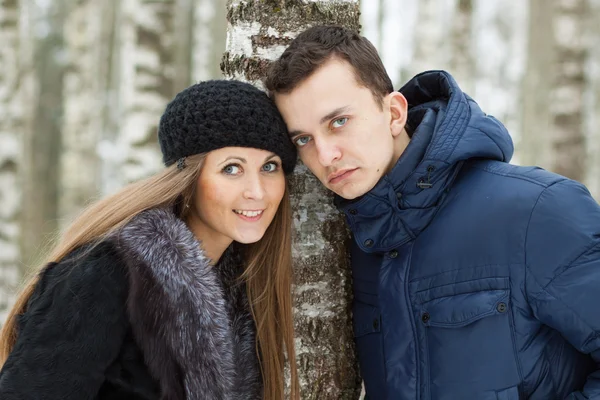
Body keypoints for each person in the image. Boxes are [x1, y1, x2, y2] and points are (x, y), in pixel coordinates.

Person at [265, 25, 600, 399]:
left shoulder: (535, 212)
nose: (325, 157)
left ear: (394, 112)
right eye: (304, 140)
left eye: (339, 121)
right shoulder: (355, 243)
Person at [0, 80, 300, 400]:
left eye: (270, 166)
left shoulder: (241, 291)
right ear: (189, 178)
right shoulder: (106, 273)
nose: (257, 191)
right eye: (231, 168)